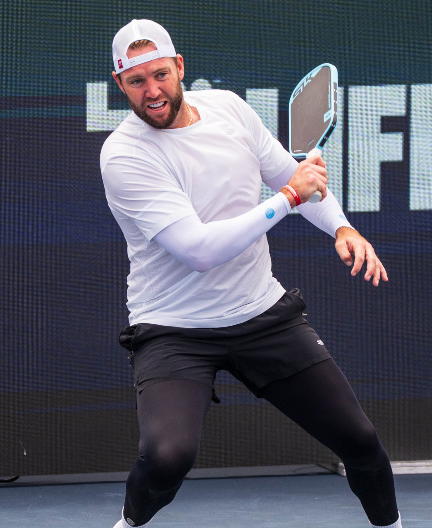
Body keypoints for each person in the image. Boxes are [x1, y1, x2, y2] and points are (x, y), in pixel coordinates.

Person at [99, 19, 403, 528]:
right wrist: (287, 199)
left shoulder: (229, 109)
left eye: (159, 75)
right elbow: (198, 249)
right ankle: (128, 524)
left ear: (179, 67)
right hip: (174, 328)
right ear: (120, 83)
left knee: (361, 442)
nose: (152, 92)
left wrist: (342, 229)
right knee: (167, 459)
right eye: (136, 81)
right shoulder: (124, 155)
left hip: (262, 314)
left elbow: (292, 176)